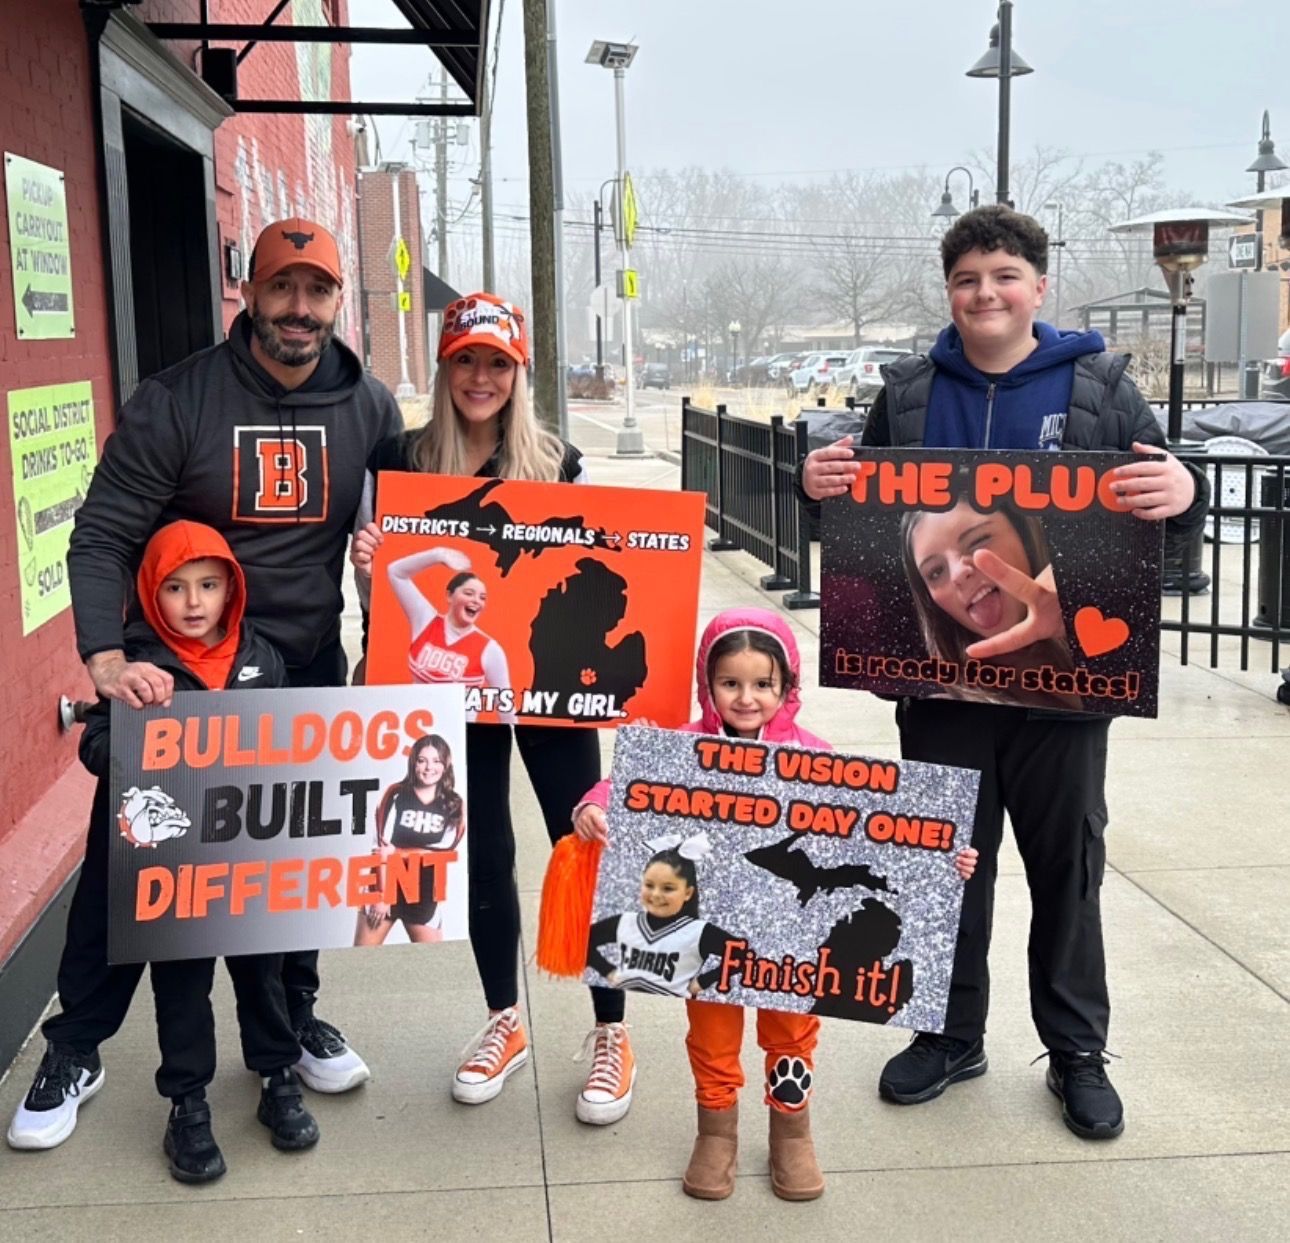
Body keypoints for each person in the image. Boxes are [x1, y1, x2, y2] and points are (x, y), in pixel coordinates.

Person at [800, 205, 1209, 1140]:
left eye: (1003, 276)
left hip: (1068, 697)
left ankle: (1074, 1050)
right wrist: (813, 488)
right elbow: (855, 528)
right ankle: (948, 1031)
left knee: (1068, 870)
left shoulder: (1100, 386)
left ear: (1038, 286)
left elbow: (1171, 513)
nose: (985, 293)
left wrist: (1188, 490)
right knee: (947, 865)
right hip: (942, 691)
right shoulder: (908, 395)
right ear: (950, 293)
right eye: (967, 279)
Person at [57, 218, 397, 1108]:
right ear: (249, 292)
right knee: (131, 859)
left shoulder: (369, 407)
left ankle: (294, 1017)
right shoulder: (177, 402)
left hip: (306, 667)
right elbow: (101, 536)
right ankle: (77, 1043)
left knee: (300, 866)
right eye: (281, 287)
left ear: (334, 300)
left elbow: (425, 522)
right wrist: (102, 654)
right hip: (186, 673)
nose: (299, 308)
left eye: (317, 289)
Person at [572, 608, 980, 1201]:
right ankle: (716, 1131)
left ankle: (792, 1131)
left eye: (762, 684)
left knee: (792, 1030)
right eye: (729, 683)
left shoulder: (815, 757)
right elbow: (626, 785)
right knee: (711, 1033)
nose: (746, 698)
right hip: (709, 935)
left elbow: (878, 829)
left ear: (787, 687)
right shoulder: (681, 749)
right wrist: (591, 803)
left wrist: (943, 857)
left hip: (792, 938)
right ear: (707, 685)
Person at [350, 292, 636, 1125]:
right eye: (467, 360)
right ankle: (502, 1018)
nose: (482, 377)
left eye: (498, 363)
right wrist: (371, 563)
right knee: (481, 853)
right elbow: (384, 599)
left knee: (577, 844)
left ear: (519, 372)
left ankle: (612, 1029)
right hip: (450, 689)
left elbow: (600, 574)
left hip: (548, 685)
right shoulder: (397, 458)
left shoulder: (558, 461)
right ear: (445, 368)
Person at [9, 522, 319, 1180]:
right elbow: (96, 741)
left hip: (248, 859)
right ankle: (188, 1102)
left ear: (232, 586)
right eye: (175, 587)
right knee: (181, 986)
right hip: (170, 867)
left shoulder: (261, 655)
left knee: (264, 975)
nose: (194, 600)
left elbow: (300, 742)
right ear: (152, 592)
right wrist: (131, 740)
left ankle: (276, 1077)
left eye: (208, 584)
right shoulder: (138, 664)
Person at [901, 496, 1081, 710]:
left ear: (1024, 536)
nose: (958, 574)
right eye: (936, 571)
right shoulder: (945, 707)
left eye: (978, 541)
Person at [585, 833, 739, 998]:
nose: (656, 894)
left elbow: (743, 955)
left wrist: (703, 981)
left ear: (688, 893)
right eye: (649, 885)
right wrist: (608, 971)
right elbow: (581, 940)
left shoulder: (697, 932)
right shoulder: (626, 922)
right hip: (629, 1006)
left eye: (668, 888)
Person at [382, 546, 515, 721]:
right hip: (414, 729)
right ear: (449, 596)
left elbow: (505, 707)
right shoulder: (426, 621)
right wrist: (437, 555)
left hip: (460, 739)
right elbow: (395, 572)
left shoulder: (490, 649)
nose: (476, 601)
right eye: (469, 593)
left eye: (482, 597)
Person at [356, 735, 465, 945]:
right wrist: (382, 895)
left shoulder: (454, 803)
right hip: (384, 882)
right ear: (413, 762)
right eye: (422, 760)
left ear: (446, 766)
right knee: (360, 955)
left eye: (436, 761)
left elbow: (447, 850)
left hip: (423, 890)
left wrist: (398, 852)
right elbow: (380, 847)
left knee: (436, 962)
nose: (428, 767)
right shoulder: (396, 793)